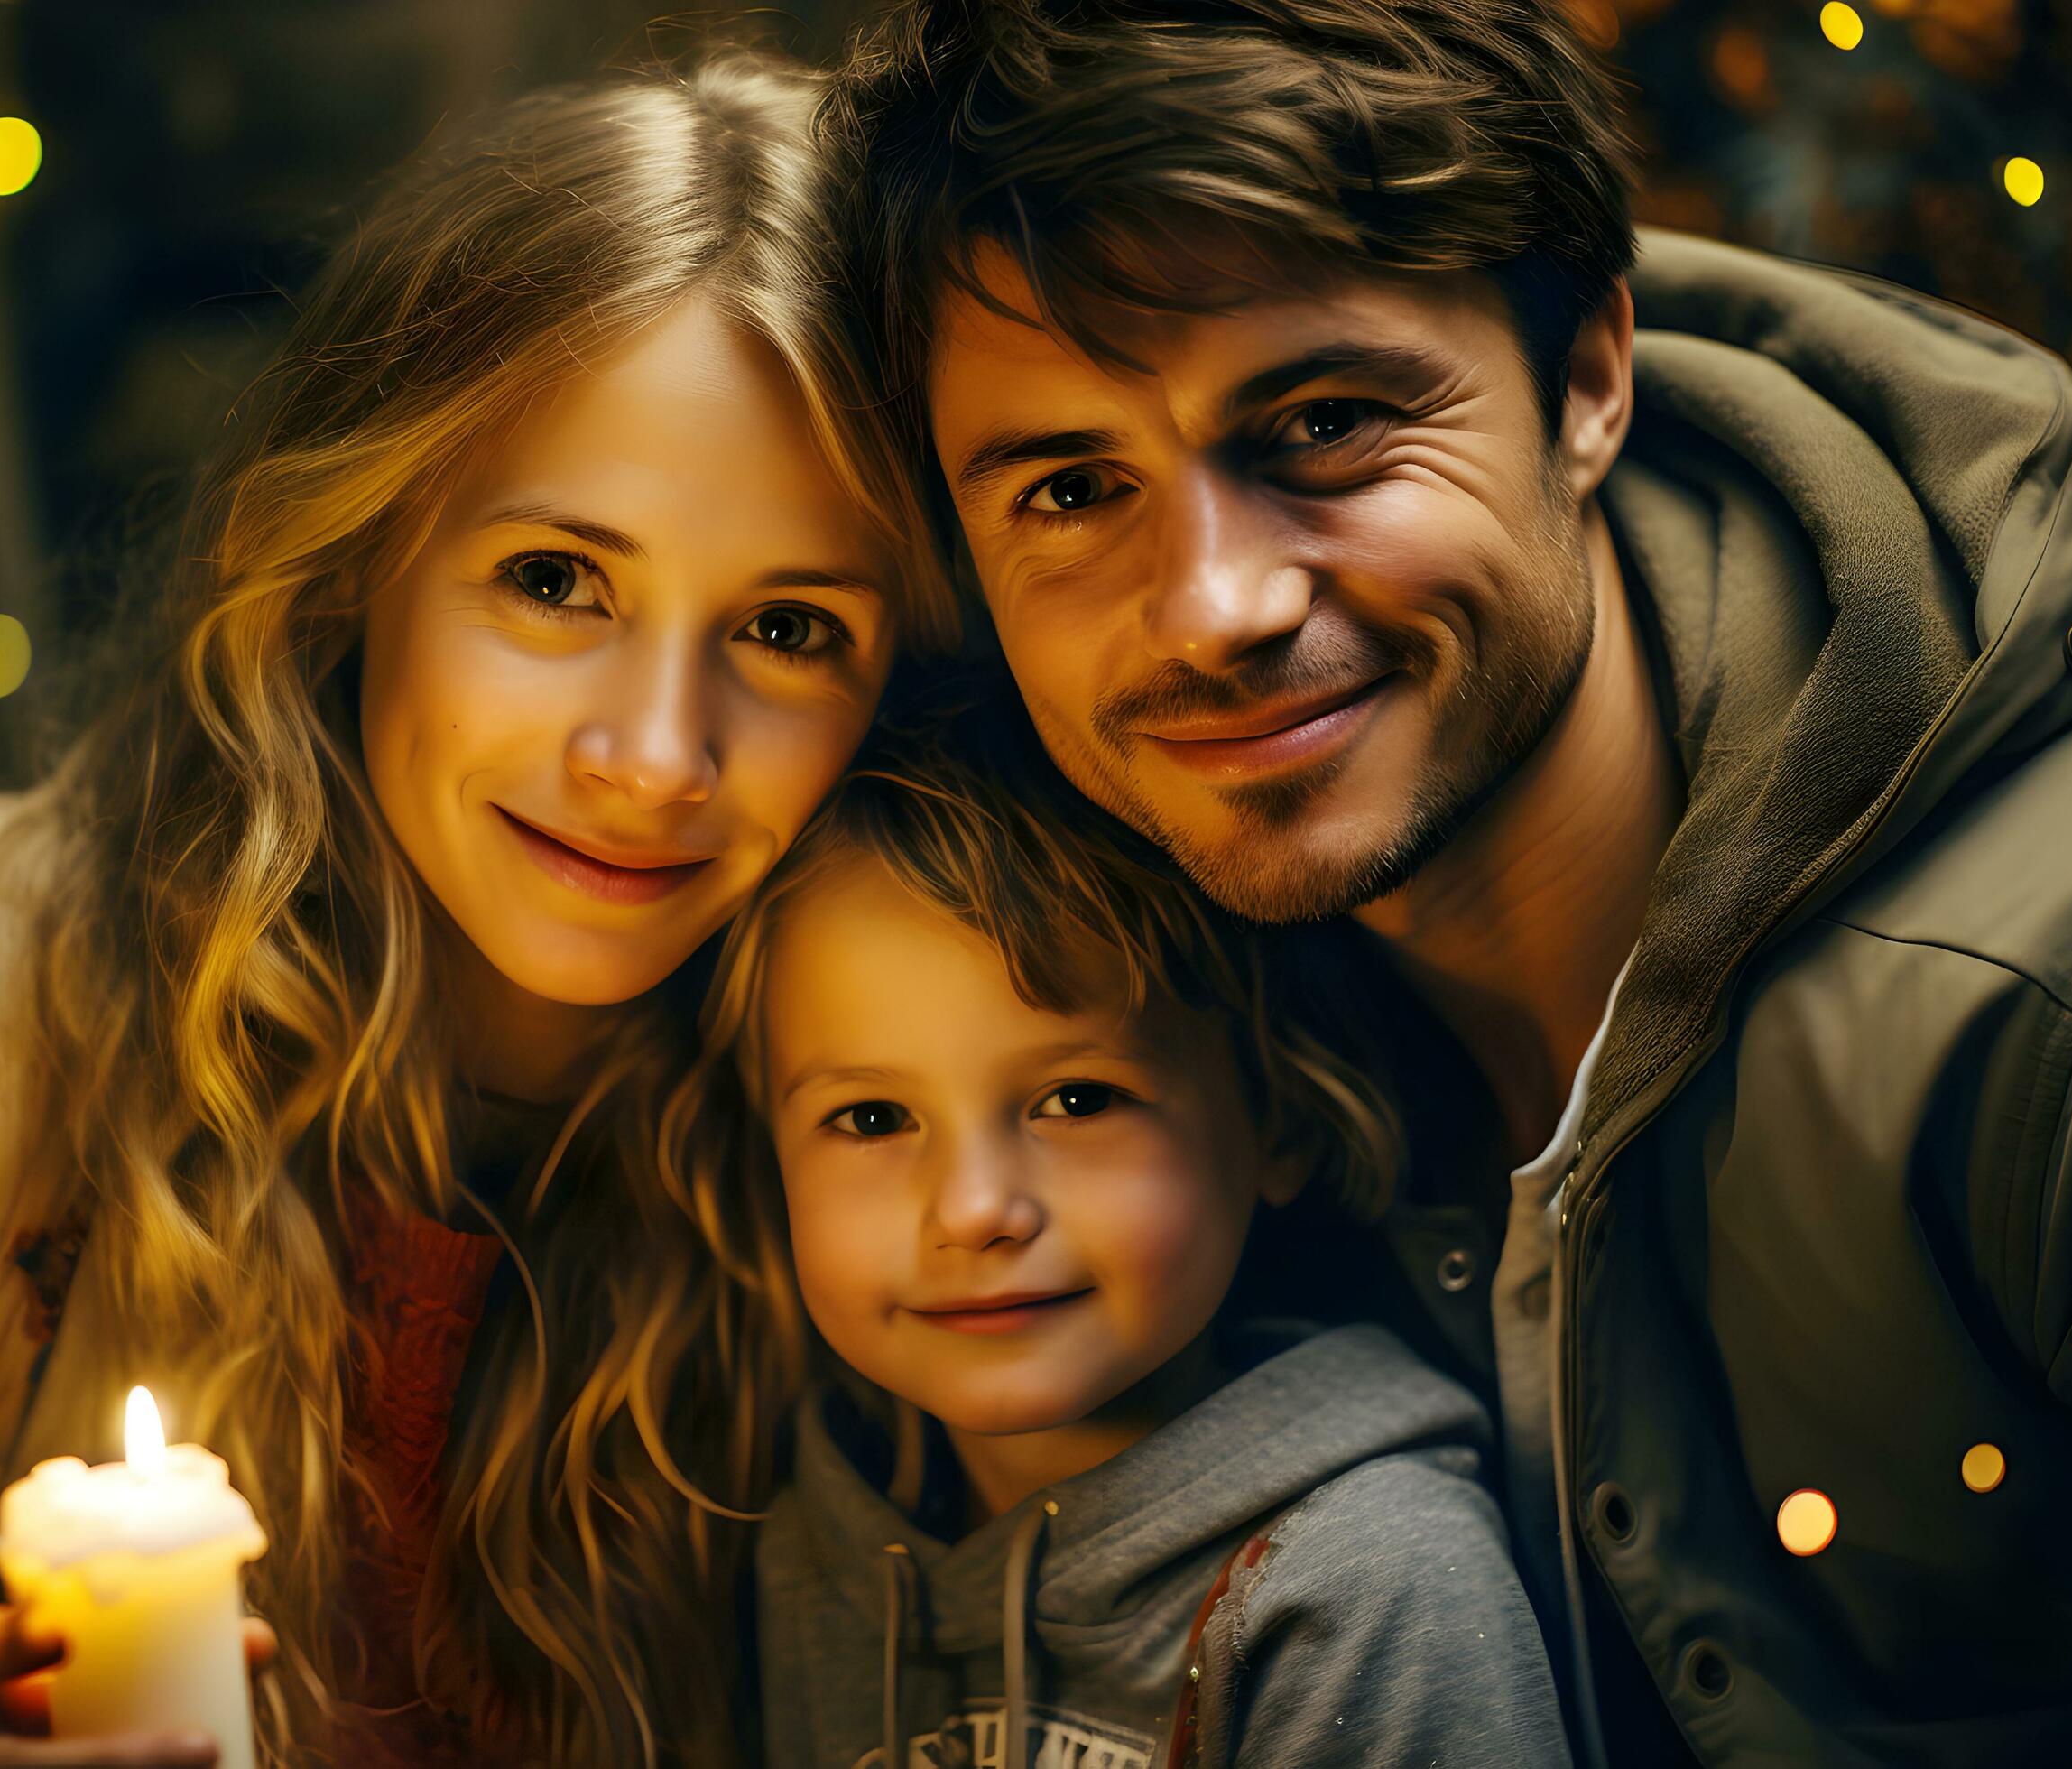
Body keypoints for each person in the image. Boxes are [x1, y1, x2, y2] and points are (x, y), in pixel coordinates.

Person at [827, 2, 2072, 1764]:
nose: (1216, 604)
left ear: (1589, 379)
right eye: (1068, 486)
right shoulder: (1125, 1001)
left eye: (1324, 421)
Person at [0, 48, 953, 1769]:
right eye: (555, 582)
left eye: (788, 630)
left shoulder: (883, 1144)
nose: (652, 755)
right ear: (356, 555)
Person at [665, 718, 1568, 1768]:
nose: (973, 1208)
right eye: (871, 1119)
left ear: (1273, 1115)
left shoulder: (1369, 1586)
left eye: (1076, 1098)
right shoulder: (810, 1560)